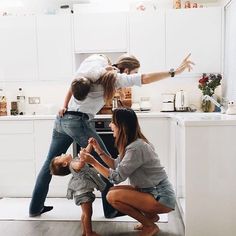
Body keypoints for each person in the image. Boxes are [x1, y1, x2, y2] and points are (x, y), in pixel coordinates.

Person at [29, 53, 193, 218]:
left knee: (47, 164)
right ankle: (110, 210)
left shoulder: (94, 68)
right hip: (78, 121)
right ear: (127, 70)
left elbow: (74, 84)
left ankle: (35, 207)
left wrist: (63, 105)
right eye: (132, 72)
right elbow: (145, 78)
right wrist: (175, 72)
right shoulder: (115, 77)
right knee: (108, 165)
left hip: (62, 119)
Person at [80, 108, 176, 236]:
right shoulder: (132, 144)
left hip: (161, 197)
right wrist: (98, 150)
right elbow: (115, 165)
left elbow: (116, 178)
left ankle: (150, 226)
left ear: (122, 126)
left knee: (111, 196)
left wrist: (93, 162)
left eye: (112, 122)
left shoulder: (136, 148)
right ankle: (151, 217)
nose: (110, 125)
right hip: (151, 191)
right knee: (112, 191)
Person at [50, 144, 105, 236]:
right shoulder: (73, 164)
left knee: (84, 213)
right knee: (88, 213)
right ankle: (89, 233)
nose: (63, 153)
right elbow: (80, 164)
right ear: (64, 164)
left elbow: (85, 153)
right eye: (61, 156)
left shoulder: (74, 161)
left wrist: (90, 145)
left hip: (81, 192)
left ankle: (84, 232)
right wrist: (83, 157)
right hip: (83, 192)